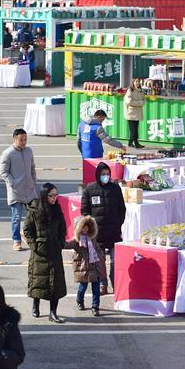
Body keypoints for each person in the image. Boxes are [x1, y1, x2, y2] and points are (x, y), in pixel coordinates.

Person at [23, 183, 68, 323]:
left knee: (56, 283)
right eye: (52, 195)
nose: (55, 198)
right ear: (44, 195)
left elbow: (63, 228)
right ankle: (35, 303)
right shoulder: (34, 210)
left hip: (54, 250)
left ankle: (53, 312)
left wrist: (60, 242)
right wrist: (34, 246)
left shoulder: (57, 209)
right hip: (40, 253)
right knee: (39, 281)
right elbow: (27, 231)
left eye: (56, 195)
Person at [80, 162, 126, 295]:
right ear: (98, 175)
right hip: (97, 235)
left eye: (107, 174)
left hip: (114, 232)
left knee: (115, 261)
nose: (105, 176)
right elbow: (85, 212)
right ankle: (102, 285)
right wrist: (90, 229)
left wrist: (118, 222)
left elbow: (121, 209)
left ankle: (115, 284)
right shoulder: (89, 189)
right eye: (103, 174)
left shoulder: (115, 189)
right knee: (100, 263)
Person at [0, 128, 37, 252]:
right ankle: (16, 240)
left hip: (30, 190)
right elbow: (3, 172)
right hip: (16, 191)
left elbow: (32, 167)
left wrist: (33, 181)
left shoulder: (29, 151)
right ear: (14, 139)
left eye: (25, 139)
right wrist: (13, 183)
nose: (24, 142)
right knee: (16, 217)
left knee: (34, 214)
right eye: (21, 139)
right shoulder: (8, 153)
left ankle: (25, 233)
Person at [63, 215, 107, 316]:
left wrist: (101, 257)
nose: (85, 229)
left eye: (87, 227)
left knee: (96, 289)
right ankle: (79, 301)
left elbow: (97, 249)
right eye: (83, 227)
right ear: (78, 228)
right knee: (82, 288)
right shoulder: (76, 241)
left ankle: (95, 306)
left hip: (94, 267)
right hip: (83, 269)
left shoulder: (92, 238)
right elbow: (66, 245)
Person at [123, 78, 146, 149]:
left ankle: (131, 143)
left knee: (135, 129)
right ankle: (136, 143)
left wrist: (140, 102)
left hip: (137, 113)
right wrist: (139, 103)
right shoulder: (130, 90)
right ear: (133, 82)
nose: (137, 83)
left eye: (138, 81)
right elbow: (128, 101)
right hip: (131, 113)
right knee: (133, 131)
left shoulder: (140, 91)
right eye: (136, 81)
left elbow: (144, 100)